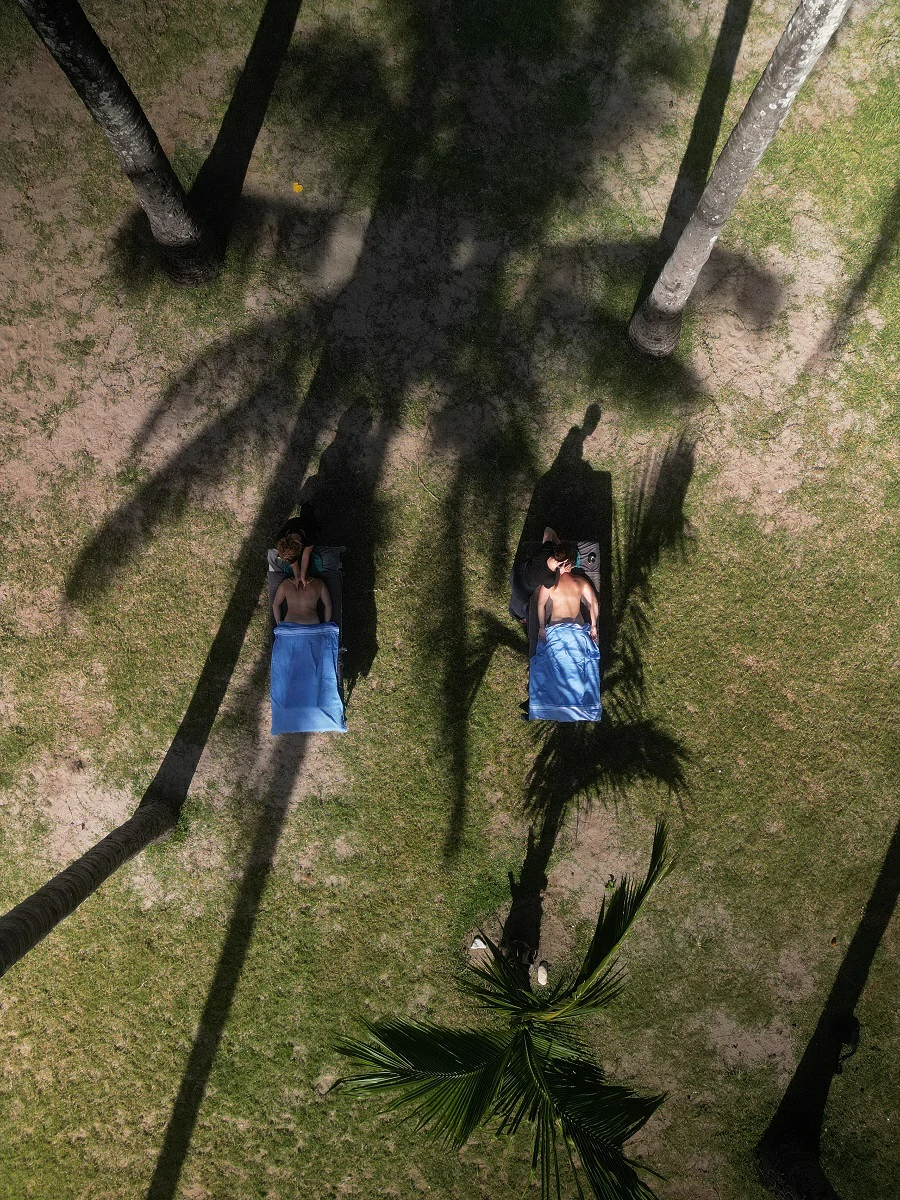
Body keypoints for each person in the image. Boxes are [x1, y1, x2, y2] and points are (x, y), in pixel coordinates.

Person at [509, 529, 576, 622]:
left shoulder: (547, 550)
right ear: (564, 561)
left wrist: (559, 544)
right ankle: (517, 616)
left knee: (512, 582)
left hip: (520, 568)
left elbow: (548, 530)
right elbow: (554, 588)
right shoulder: (550, 579)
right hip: (523, 588)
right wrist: (560, 572)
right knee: (519, 608)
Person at [535, 545, 598, 644]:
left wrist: (542, 627)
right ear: (573, 564)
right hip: (577, 631)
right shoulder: (581, 581)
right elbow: (594, 602)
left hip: (556, 631)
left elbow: (540, 604)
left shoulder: (550, 582)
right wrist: (593, 626)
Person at [274, 503, 318, 591]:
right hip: (294, 524)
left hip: (308, 524)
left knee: (310, 514)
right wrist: (298, 577)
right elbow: (293, 562)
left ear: (301, 545)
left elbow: (305, 556)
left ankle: (309, 506)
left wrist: (303, 576)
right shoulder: (280, 538)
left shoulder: (309, 536)